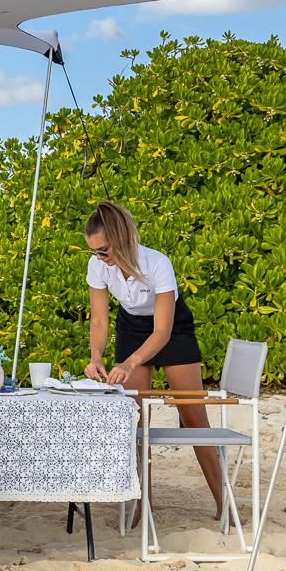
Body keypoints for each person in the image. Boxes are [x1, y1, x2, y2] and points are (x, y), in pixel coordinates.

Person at [81, 200, 227, 523]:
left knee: (192, 415)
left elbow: (161, 331)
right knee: (135, 418)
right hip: (131, 325)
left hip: (172, 328)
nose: (99, 258)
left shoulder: (158, 264)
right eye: (93, 252)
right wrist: (96, 357)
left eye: (103, 250)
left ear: (121, 240)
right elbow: (100, 321)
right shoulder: (99, 267)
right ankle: (141, 506)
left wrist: (131, 363)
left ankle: (223, 502)